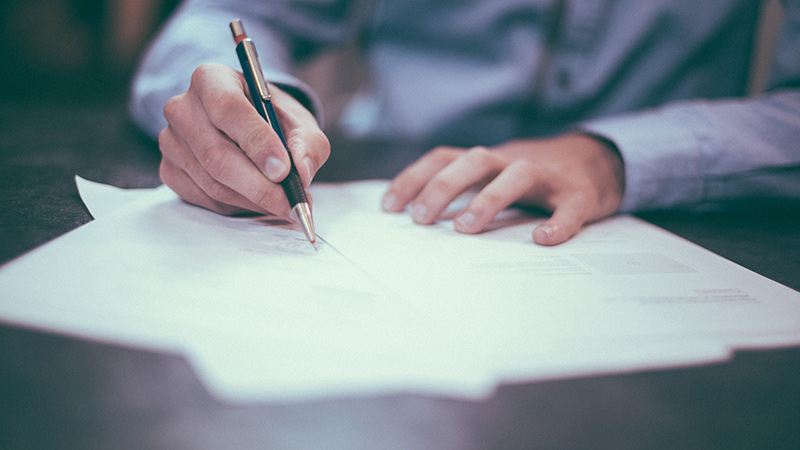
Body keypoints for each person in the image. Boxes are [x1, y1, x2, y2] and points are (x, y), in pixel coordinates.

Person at [130, 0, 800, 246]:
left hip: (668, 216)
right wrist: (238, 103)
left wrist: (613, 156)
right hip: (391, 191)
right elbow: (226, 16)